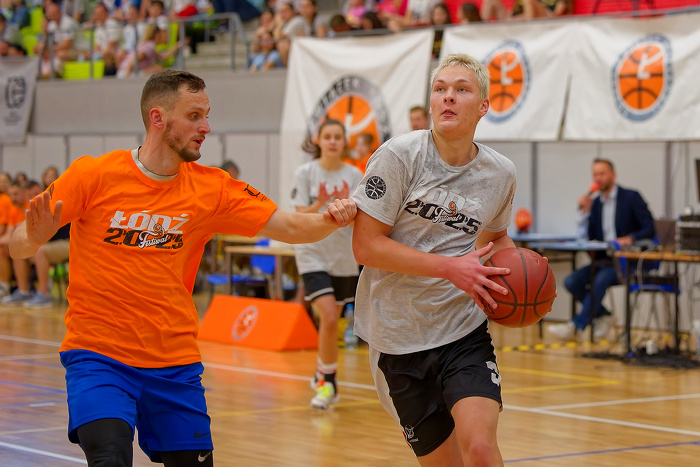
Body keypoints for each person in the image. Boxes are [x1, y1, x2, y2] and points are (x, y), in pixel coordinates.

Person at [9, 69, 357, 466]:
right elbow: (18, 244)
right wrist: (33, 236)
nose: (206, 127)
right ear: (158, 118)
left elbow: (291, 226)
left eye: (207, 115)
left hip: (174, 363)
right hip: (98, 356)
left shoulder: (213, 189)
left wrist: (334, 218)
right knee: (109, 456)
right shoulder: (93, 175)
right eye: (194, 116)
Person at [351, 53, 518, 465]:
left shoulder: (500, 173)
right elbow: (366, 246)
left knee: (480, 448)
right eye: (440, 89)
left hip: (463, 330)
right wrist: (450, 268)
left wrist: (518, 280)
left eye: (461, 89)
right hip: (397, 336)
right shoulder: (399, 156)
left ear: (483, 106)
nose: (448, 97)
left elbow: (497, 237)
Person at [291, 119, 363, 410]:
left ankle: (322, 371)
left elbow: (361, 221)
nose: (333, 141)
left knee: (333, 323)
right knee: (329, 317)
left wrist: (348, 209)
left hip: (343, 257)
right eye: (328, 136)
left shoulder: (355, 175)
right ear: (318, 140)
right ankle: (328, 383)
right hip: (312, 254)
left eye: (338, 137)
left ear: (344, 142)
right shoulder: (305, 173)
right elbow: (298, 216)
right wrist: (320, 202)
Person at [547, 158, 655, 341]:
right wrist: (585, 213)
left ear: (613, 175)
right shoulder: (596, 204)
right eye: (595, 174)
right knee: (572, 281)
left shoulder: (631, 197)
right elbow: (590, 237)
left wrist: (630, 238)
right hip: (604, 260)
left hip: (627, 260)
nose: (598, 178)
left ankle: (576, 326)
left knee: (600, 279)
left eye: (602, 173)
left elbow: (650, 228)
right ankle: (603, 315)